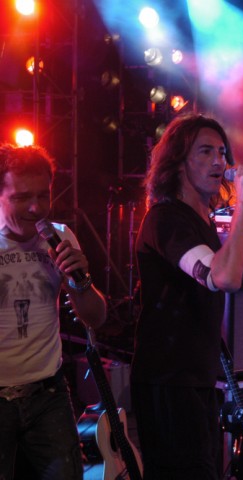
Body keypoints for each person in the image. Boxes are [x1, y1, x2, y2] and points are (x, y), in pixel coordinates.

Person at [131, 114, 243, 479]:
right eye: (205, 151)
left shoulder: (200, 220)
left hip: (197, 377)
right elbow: (224, 277)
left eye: (222, 152)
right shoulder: (165, 219)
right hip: (168, 379)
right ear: (178, 162)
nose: (219, 161)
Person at [0, 143, 107, 479]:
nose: (35, 208)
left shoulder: (60, 237)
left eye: (43, 195)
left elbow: (96, 318)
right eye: (21, 197)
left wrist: (80, 282)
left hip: (49, 395)